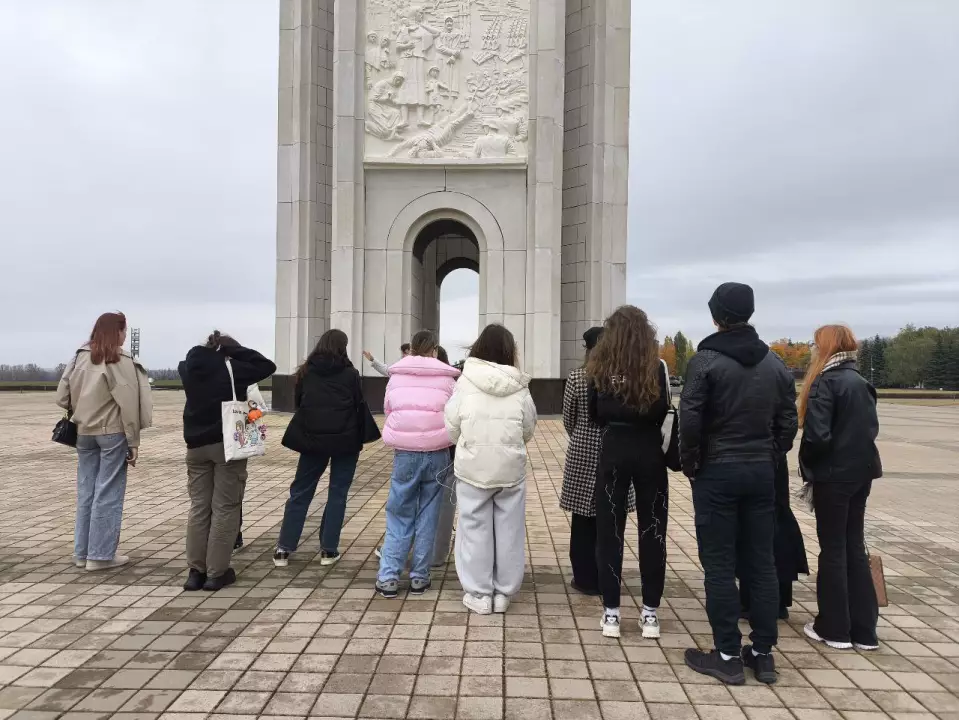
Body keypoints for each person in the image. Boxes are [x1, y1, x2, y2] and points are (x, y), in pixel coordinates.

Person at [680, 283, 798, 686]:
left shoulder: (705, 361)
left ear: (716, 315)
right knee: (761, 562)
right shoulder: (775, 364)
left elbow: (690, 419)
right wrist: (770, 454)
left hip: (717, 472)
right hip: (760, 473)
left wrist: (692, 464)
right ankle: (763, 654)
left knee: (719, 565)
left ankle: (728, 654)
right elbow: (788, 422)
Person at [585, 307, 670, 639]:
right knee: (653, 530)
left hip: (613, 449)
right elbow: (664, 408)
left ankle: (611, 613)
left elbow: (594, 414)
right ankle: (650, 613)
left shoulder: (600, 368)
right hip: (649, 451)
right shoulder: (657, 367)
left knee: (609, 530)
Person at [798, 325, 882, 651]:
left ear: (827, 346)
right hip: (861, 474)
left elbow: (817, 437)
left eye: (815, 344)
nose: (813, 350)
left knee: (833, 550)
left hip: (833, 476)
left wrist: (808, 466)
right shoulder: (860, 382)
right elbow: (870, 430)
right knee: (854, 547)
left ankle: (833, 628)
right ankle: (864, 630)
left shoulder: (826, 382)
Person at [445, 324, 537, 614]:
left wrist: (469, 444)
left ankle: (479, 593)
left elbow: (452, 426)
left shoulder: (464, 383)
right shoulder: (520, 386)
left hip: (472, 467)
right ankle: (503, 593)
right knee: (509, 532)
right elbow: (528, 428)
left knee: (474, 530)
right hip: (510, 469)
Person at [178, 331, 276, 591]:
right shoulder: (233, 369)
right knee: (225, 508)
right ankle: (216, 573)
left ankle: (195, 572)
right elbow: (267, 365)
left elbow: (187, 361)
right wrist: (233, 350)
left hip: (195, 446)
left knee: (199, 508)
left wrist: (214, 348)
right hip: (226, 445)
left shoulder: (188, 368)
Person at [56, 312, 153, 571]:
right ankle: (99, 556)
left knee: (86, 491)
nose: (125, 335)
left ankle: (81, 552)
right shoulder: (119, 360)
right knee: (108, 493)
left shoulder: (79, 356)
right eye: (124, 330)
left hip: (83, 432)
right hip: (112, 432)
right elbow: (129, 405)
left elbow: (62, 396)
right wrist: (133, 441)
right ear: (116, 332)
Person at [274, 329, 378, 568]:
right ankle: (328, 551)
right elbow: (357, 403)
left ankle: (283, 549)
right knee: (337, 494)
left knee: (300, 492)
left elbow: (298, 403)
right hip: (346, 441)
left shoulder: (306, 371)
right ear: (343, 347)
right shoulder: (350, 374)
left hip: (312, 440)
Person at [375, 330, 460, 598]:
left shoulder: (396, 376)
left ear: (411, 349)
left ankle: (389, 577)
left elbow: (389, 409)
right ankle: (420, 577)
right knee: (429, 515)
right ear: (434, 350)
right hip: (438, 451)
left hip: (405, 452)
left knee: (399, 512)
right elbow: (454, 415)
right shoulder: (448, 379)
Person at [561, 326, 636, 596]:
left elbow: (568, 417)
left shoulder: (577, 377)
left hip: (583, 450)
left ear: (588, 348)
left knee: (583, 518)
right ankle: (609, 576)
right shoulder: (625, 378)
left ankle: (584, 578)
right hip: (618, 447)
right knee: (613, 517)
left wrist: (582, 434)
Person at [737, 455, 808, 621]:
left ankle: (754, 600)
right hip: (770, 458)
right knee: (776, 518)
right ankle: (777, 600)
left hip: (751, 458)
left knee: (755, 524)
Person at [431, 346, 458, 567]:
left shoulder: (405, 379)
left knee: (410, 502)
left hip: (412, 450)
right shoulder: (453, 382)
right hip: (448, 448)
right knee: (446, 503)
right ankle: (437, 554)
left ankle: (400, 550)